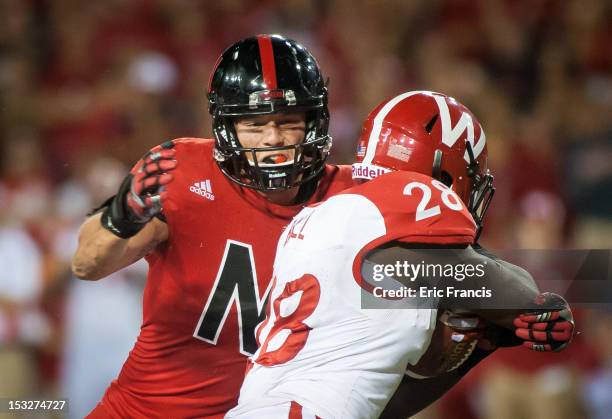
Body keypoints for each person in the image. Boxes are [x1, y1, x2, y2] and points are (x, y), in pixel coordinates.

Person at [226, 91, 575, 419]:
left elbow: (382, 408)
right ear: (440, 175)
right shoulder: (408, 203)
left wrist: (485, 342)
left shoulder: (318, 220)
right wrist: (526, 310)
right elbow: (520, 297)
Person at [71, 34, 353, 418]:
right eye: (254, 125)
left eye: (288, 122)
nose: (273, 139)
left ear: (314, 121)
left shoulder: (354, 199)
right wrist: (121, 214)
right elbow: (87, 264)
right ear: (225, 127)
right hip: (148, 411)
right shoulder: (183, 172)